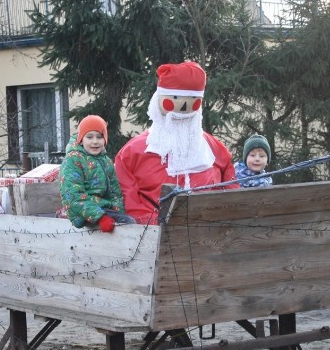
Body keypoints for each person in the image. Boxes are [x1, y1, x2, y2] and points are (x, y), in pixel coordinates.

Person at [114, 61, 238, 224]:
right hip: (154, 233)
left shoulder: (212, 147)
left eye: (193, 101)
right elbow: (129, 196)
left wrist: (228, 214)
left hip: (209, 228)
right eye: (175, 99)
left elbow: (230, 184)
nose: (184, 106)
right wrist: (151, 223)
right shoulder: (132, 152)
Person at [58, 115, 134, 232]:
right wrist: (99, 217)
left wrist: (118, 212)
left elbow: (115, 193)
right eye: (89, 137)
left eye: (99, 137)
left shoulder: (106, 161)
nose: (95, 141)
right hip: (82, 213)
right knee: (127, 223)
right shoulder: (73, 160)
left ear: (105, 139)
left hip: (104, 208)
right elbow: (73, 196)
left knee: (128, 222)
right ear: (81, 139)